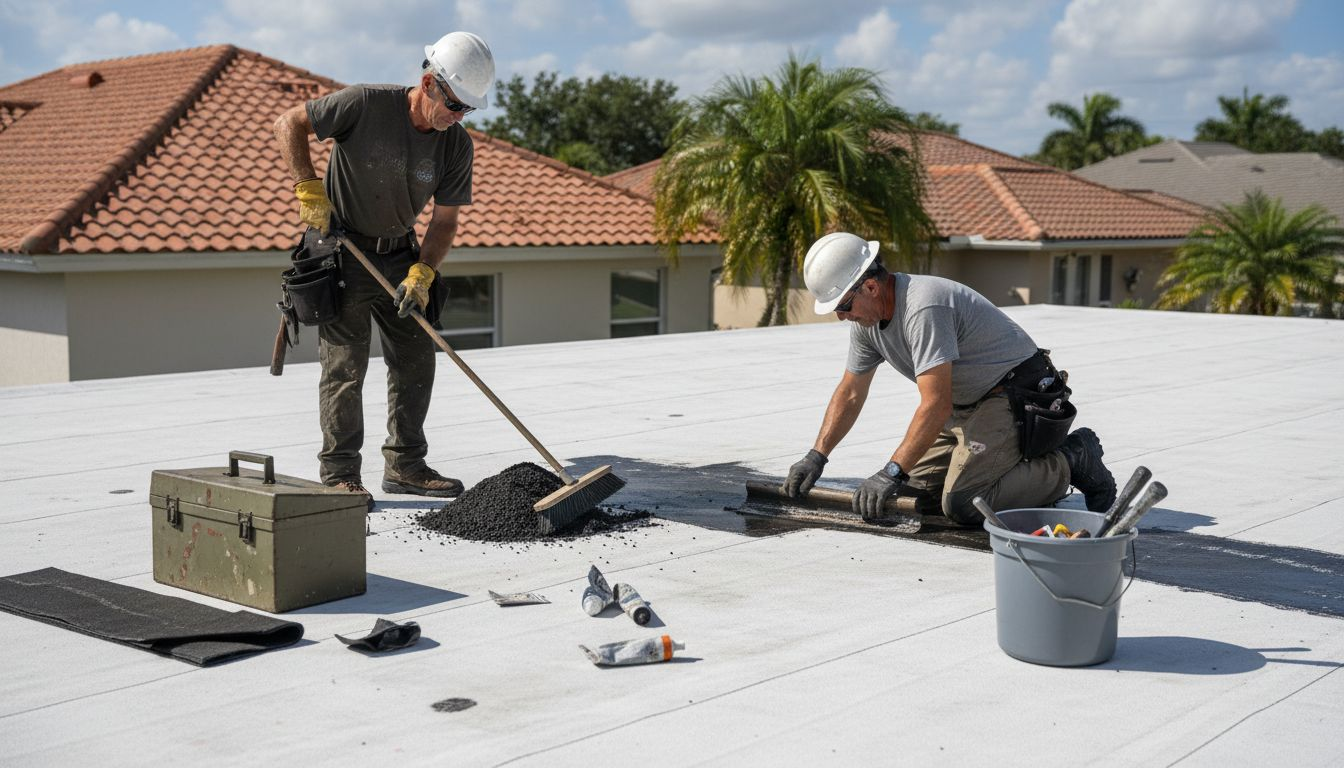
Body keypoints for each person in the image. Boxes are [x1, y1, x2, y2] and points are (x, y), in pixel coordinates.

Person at [272, 31, 494, 498]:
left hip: (399, 253)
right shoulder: (365, 104)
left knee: (417, 357)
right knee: (345, 368)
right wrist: (307, 187)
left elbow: (445, 222)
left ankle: (406, 466)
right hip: (341, 251)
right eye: (453, 104)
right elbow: (288, 123)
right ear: (429, 82)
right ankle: (340, 475)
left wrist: (423, 272)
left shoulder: (455, 145)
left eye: (465, 110)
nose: (456, 118)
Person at [782, 232, 1116, 525]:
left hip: (1012, 395)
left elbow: (935, 405)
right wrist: (817, 456)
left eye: (843, 307)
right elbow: (851, 393)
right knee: (916, 497)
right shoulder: (866, 324)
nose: (842, 317)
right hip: (967, 404)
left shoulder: (923, 308)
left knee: (965, 504)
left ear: (870, 286)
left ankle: (1071, 460)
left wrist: (891, 471)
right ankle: (1007, 471)